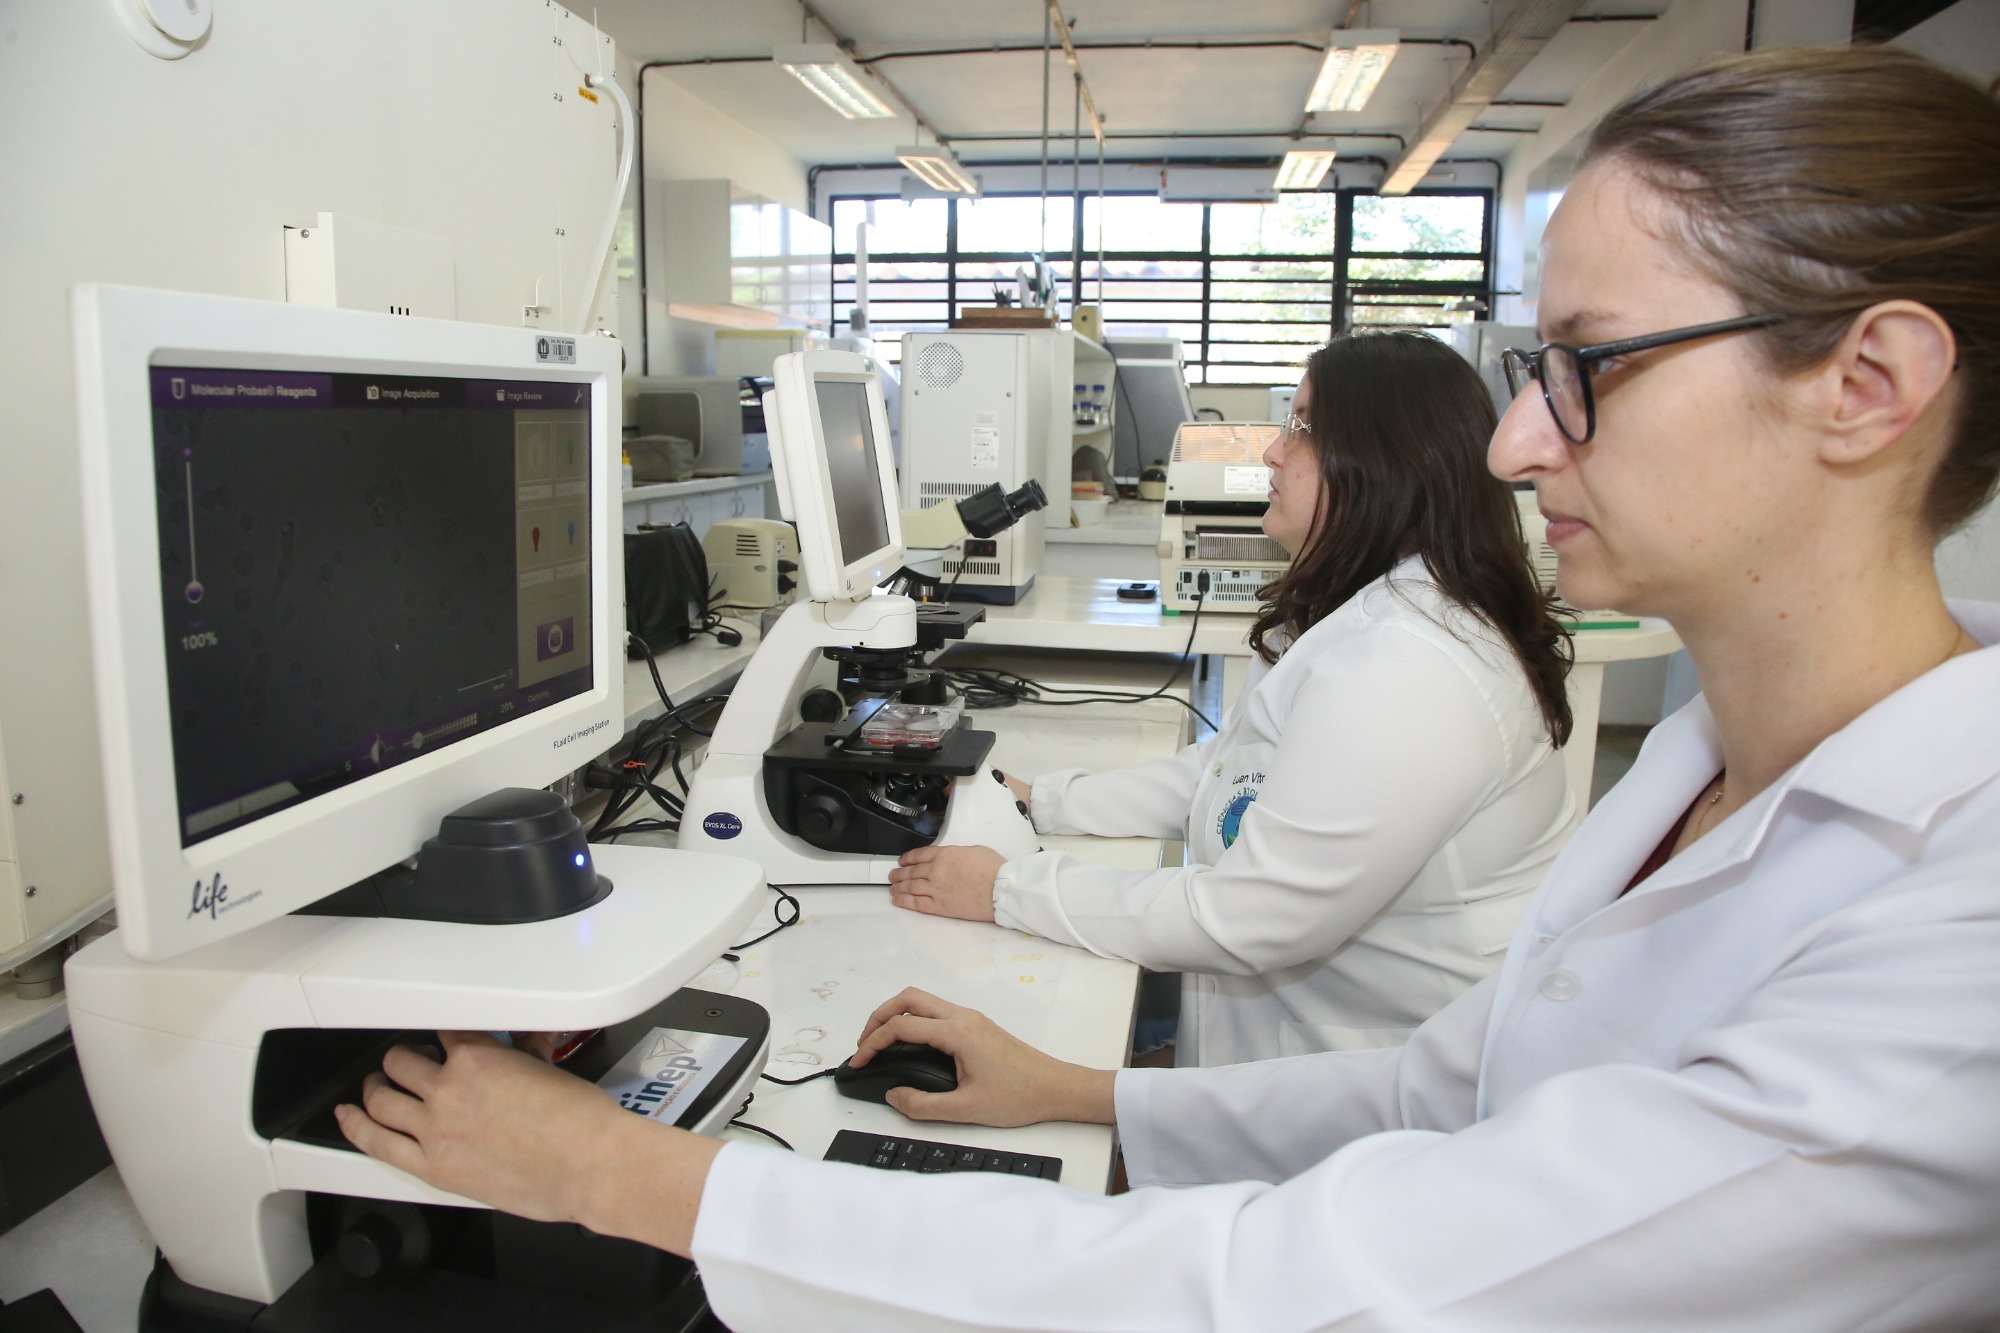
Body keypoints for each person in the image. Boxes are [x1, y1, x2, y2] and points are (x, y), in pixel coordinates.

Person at [338, 45, 2000, 1330]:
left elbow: (1314, 1283)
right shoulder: (1714, 759)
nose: (1511, 441)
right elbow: (1448, 1088)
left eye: (1584, 367)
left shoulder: (1958, 953)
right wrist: (1079, 1086)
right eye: (1521, 375)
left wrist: (653, 1180)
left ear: (1868, 383)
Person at [890, 330, 1576, 1064]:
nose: (1273, 452)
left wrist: (1006, 889)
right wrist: (1047, 800)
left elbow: (1246, 917)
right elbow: (1232, 771)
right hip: (1300, 1050)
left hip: (1377, 1102)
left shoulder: (1406, 668)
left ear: (1381, 460)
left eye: (1302, 427)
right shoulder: (1380, 615)